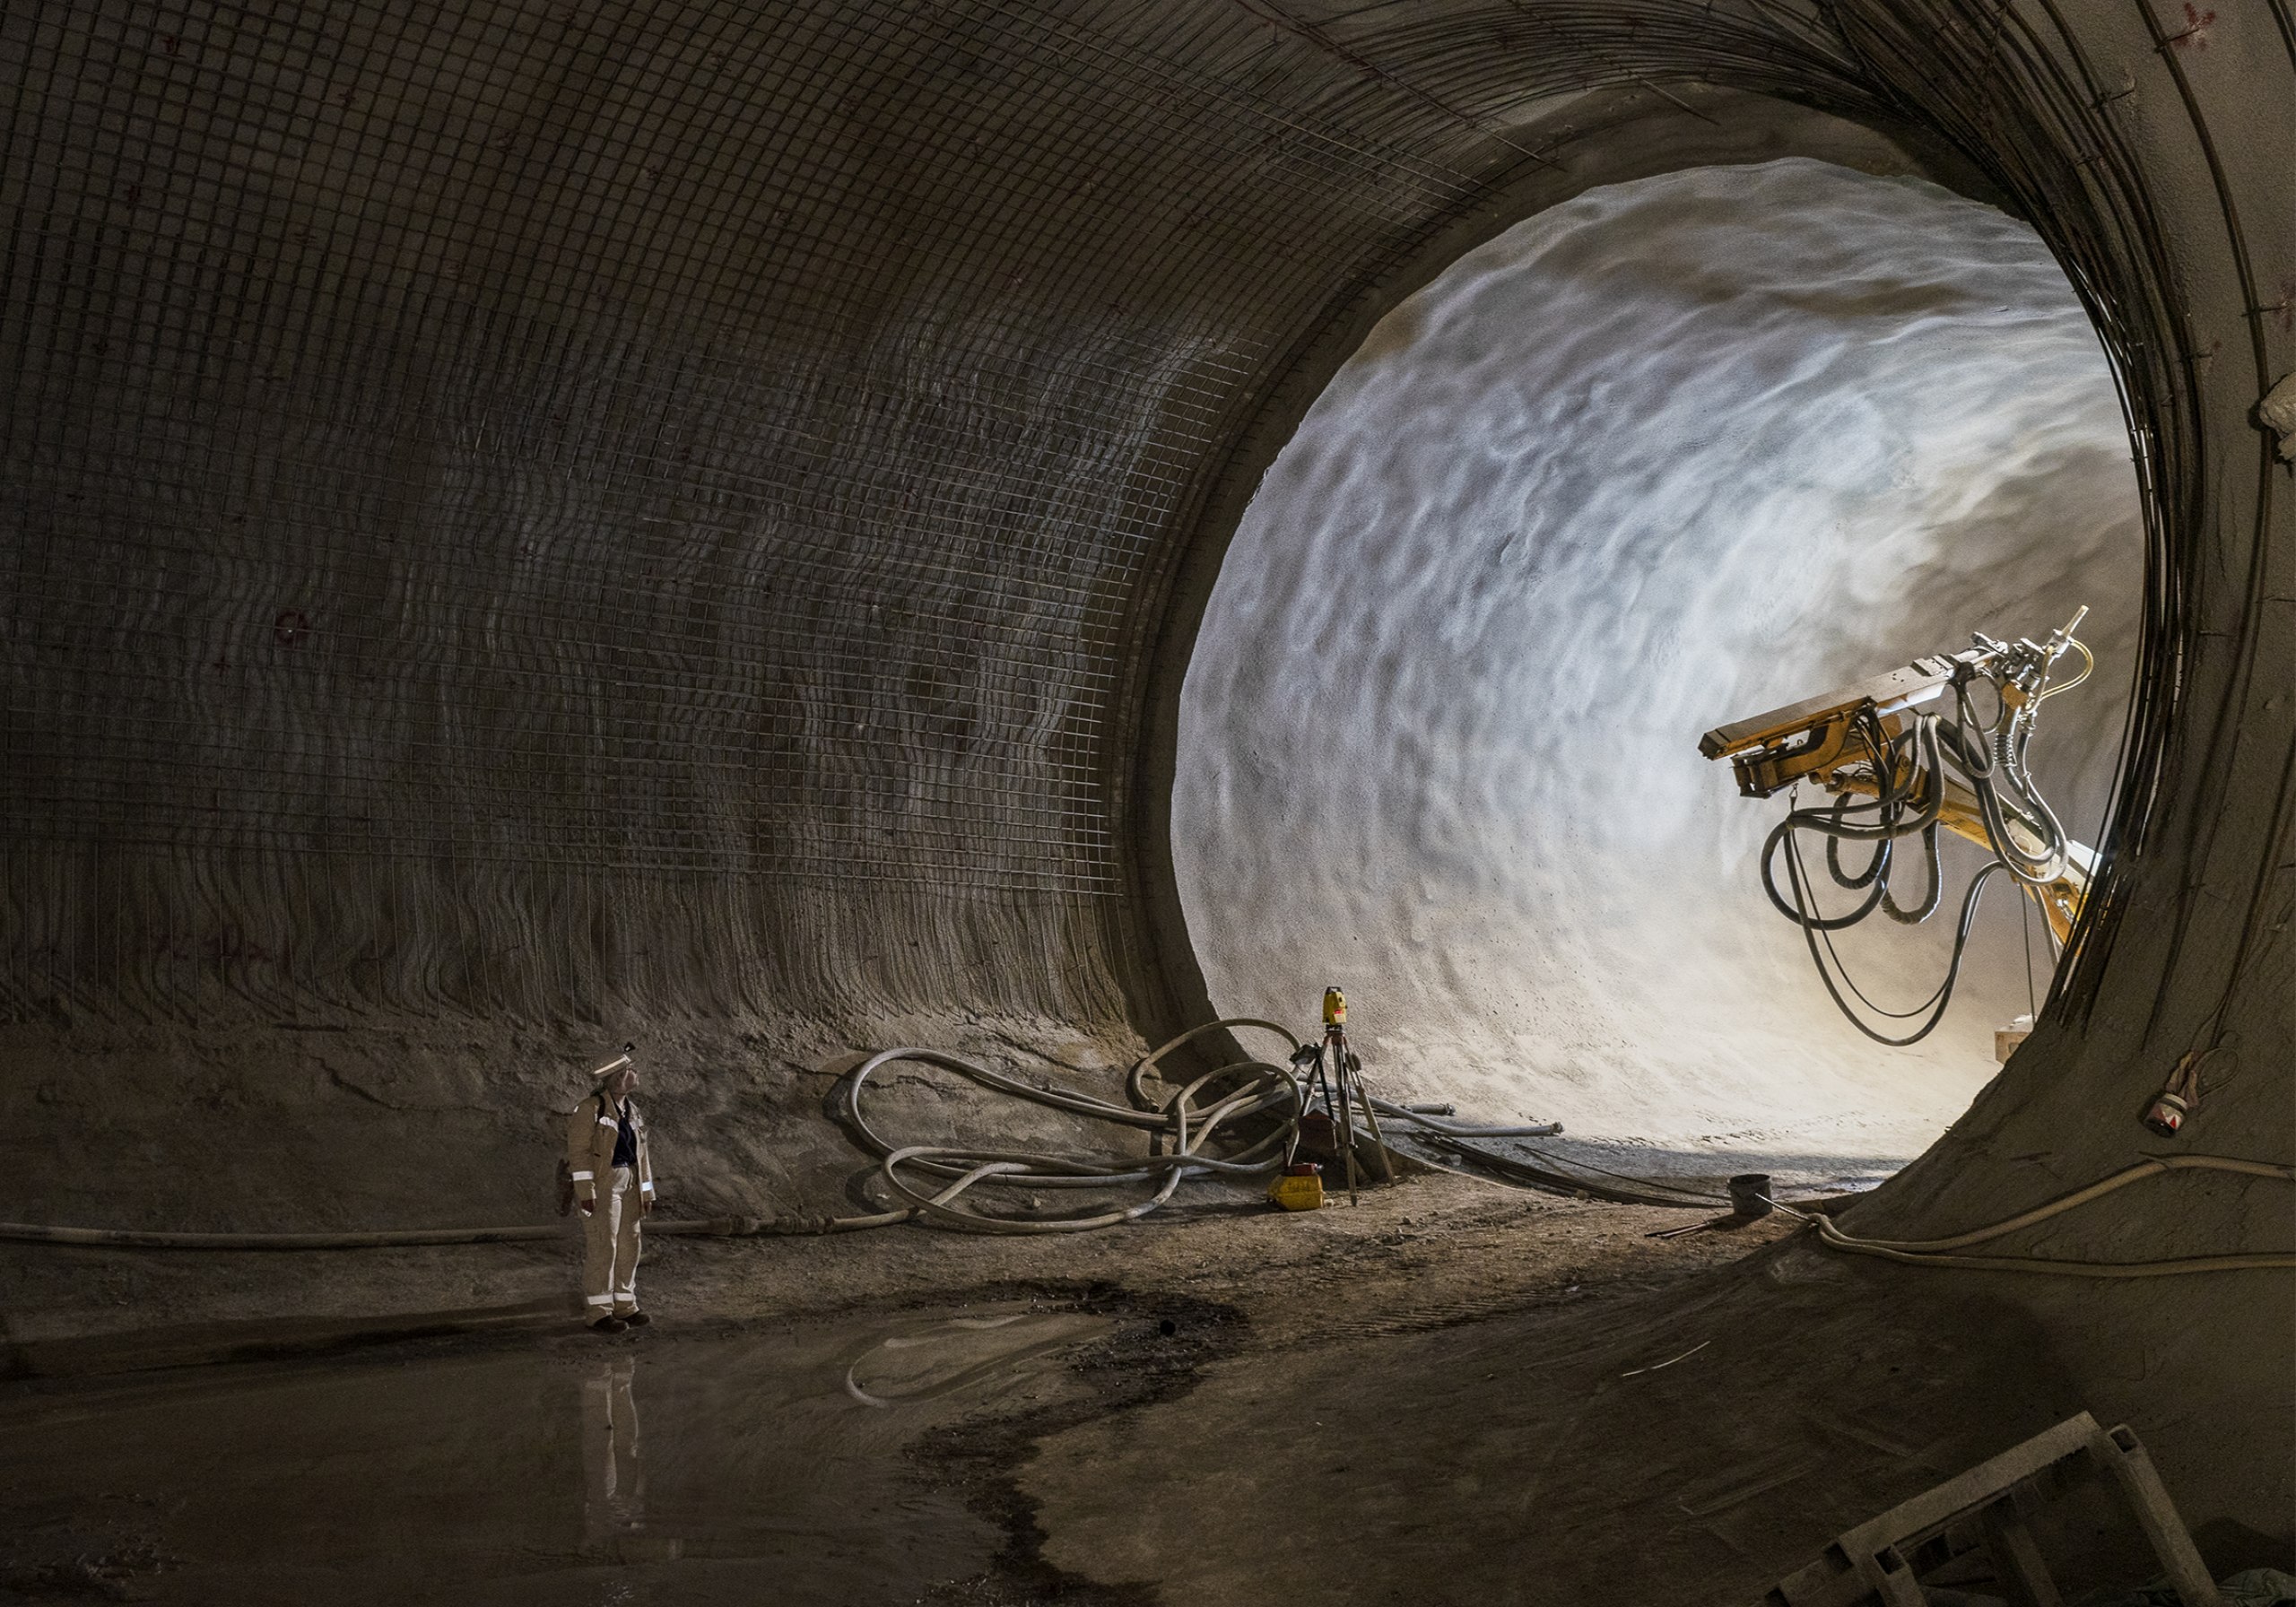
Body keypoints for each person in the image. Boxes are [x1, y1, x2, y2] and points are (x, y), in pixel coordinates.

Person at [567, 1057, 657, 1333]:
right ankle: (598, 1312)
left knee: (630, 1245)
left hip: (630, 1182)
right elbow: (578, 1153)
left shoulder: (633, 1110)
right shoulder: (589, 1109)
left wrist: (647, 1192)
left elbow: (642, 1157)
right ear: (617, 1077)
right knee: (604, 1248)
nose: (635, 1073)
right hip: (604, 1185)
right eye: (630, 1070)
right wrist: (585, 1191)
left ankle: (625, 1306)